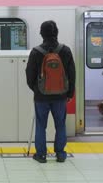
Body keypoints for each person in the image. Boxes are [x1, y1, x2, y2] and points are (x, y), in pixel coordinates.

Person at [26, 20, 75, 163]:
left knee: (41, 125)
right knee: (60, 124)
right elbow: (72, 74)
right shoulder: (65, 50)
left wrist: (36, 89)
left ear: (41, 33)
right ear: (57, 32)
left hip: (41, 96)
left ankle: (41, 155)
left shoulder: (36, 52)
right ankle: (60, 154)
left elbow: (30, 75)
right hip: (61, 95)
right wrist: (69, 93)